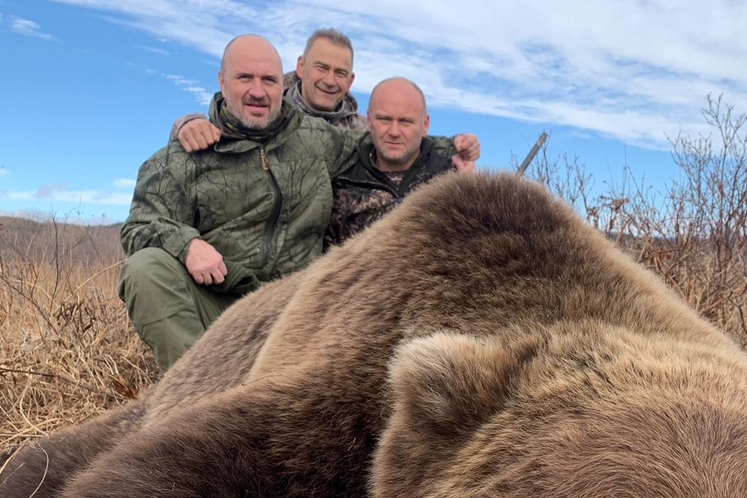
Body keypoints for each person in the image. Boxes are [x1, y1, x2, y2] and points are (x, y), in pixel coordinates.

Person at [119, 34, 478, 370]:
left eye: (269, 81)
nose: (258, 91)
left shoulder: (316, 140)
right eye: (245, 78)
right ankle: (195, 395)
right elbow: (138, 226)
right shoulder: (182, 157)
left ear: (283, 83)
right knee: (145, 269)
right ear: (222, 81)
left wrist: (454, 150)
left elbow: (386, 141)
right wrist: (187, 244)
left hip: (299, 309)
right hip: (219, 300)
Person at [173, 28, 365, 153]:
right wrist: (186, 124)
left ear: (351, 81)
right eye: (321, 68)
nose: (330, 80)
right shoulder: (266, 108)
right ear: (301, 66)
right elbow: (225, 120)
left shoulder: (363, 131)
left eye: (340, 73)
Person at [325, 77, 466, 248]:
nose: (394, 131)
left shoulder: (453, 181)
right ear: (369, 121)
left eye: (405, 121)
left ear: (425, 125)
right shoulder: (342, 182)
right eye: (384, 119)